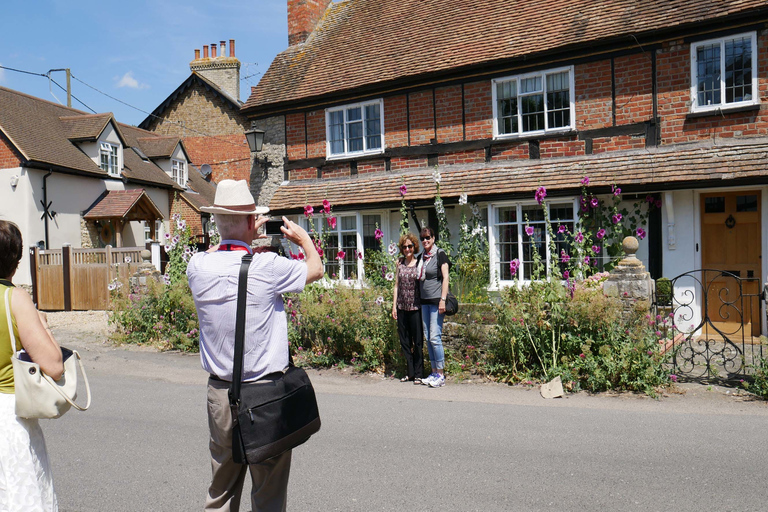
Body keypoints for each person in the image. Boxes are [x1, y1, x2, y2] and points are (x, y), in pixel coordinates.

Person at [187, 180, 323, 512]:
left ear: (216, 222)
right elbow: (316, 268)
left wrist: (242, 234)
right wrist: (303, 238)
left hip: (220, 394)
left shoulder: (197, 267)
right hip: (266, 396)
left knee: (221, 491)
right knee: (268, 493)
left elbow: (218, 254)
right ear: (252, 221)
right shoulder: (267, 267)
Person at [0, 220, 64, 511]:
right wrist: (43, 325)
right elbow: (53, 365)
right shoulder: (13, 298)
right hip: (10, 417)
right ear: (16, 260)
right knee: (19, 494)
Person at [417, 227, 450, 388]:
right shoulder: (421, 257)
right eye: (422, 238)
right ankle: (434, 372)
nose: (425, 240)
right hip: (424, 301)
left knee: (435, 337)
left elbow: (445, 277)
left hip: (437, 301)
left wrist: (443, 299)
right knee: (428, 337)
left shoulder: (439, 254)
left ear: (433, 238)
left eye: (428, 237)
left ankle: (441, 374)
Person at [391, 232, 424, 384]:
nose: (407, 249)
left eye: (410, 246)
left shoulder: (419, 263)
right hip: (402, 307)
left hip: (415, 307)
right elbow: (396, 285)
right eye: (404, 247)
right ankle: (410, 372)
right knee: (405, 342)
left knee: (417, 342)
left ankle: (419, 373)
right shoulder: (400, 264)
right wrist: (394, 307)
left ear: (414, 247)